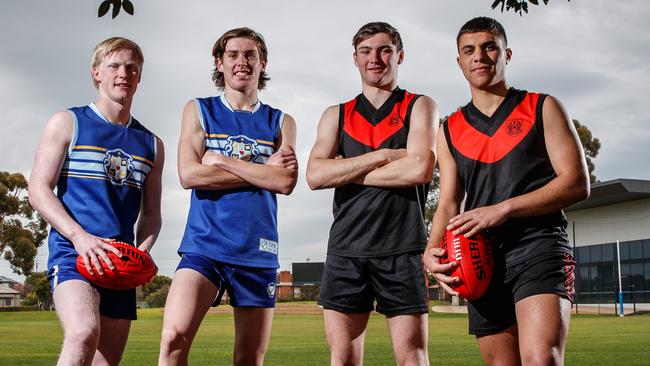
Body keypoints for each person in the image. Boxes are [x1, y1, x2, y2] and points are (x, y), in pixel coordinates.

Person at [424, 16, 589, 366]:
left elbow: (576, 182)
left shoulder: (543, 107)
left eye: (489, 47)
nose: (479, 56)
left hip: (539, 242)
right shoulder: (450, 129)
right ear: (459, 62)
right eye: (469, 50)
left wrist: (503, 209)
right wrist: (431, 249)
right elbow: (448, 202)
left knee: (541, 357)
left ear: (506, 54)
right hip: (479, 254)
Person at [158, 27, 298, 366]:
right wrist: (262, 169)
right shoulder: (199, 110)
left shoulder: (281, 121)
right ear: (219, 64)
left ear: (262, 63)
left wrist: (221, 160)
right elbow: (190, 175)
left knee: (249, 357)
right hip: (205, 246)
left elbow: (284, 182)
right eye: (232, 55)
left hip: (258, 250)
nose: (242, 62)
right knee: (173, 338)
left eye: (250, 55)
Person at [307, 22, 438, 366]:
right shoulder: (336, 114)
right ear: (355, 59)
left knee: (412, 357)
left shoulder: (419, 106)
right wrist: (383, 155)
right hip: (346, 250)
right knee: (343, 358)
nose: (375, 59)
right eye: (366, 51)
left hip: (403, 248)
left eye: (384, 50)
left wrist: (347, 170)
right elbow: (316, 175)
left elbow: (419, 169)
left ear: (400, 56)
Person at [28, 37, 164, 366]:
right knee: (83, 333)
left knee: (106, 361)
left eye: (132, 67)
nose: (123, 73)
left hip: (119, 264)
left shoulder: (152, 144)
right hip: (74, 253)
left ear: (139, 77)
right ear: (97, 74)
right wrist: (80, 237)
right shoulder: (67, 122)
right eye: (114, 65)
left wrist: (141, 250)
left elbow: (151, 213)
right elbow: (38, 189)